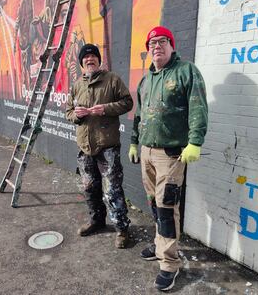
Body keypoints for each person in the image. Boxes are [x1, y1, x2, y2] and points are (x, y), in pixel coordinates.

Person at [128, 26, 208, 291]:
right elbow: (139, 116)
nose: (156, 46)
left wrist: (195, 142)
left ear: (172, 45)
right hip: (147, 152)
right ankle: (160, 242)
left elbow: (198, 107)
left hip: (171, 154)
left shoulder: (186, 71)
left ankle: (169, 263)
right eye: (151, 43)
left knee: (166, 208)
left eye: (162, 41)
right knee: (153, 202)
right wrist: (133, 142)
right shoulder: (146, 80)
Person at [66, 44, 133, 249]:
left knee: (112, 190)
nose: (89, 60)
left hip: (107, 147)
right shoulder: (77, 85)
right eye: (86, 58)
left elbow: (127, 102)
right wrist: (75, 115)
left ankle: (121, 229)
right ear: (81, 64)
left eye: (93, 57)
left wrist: (105, 109)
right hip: (85, 148)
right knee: (89, 188)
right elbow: (68, 111)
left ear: (98, 60)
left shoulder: (112, 80)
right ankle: (97, 221)